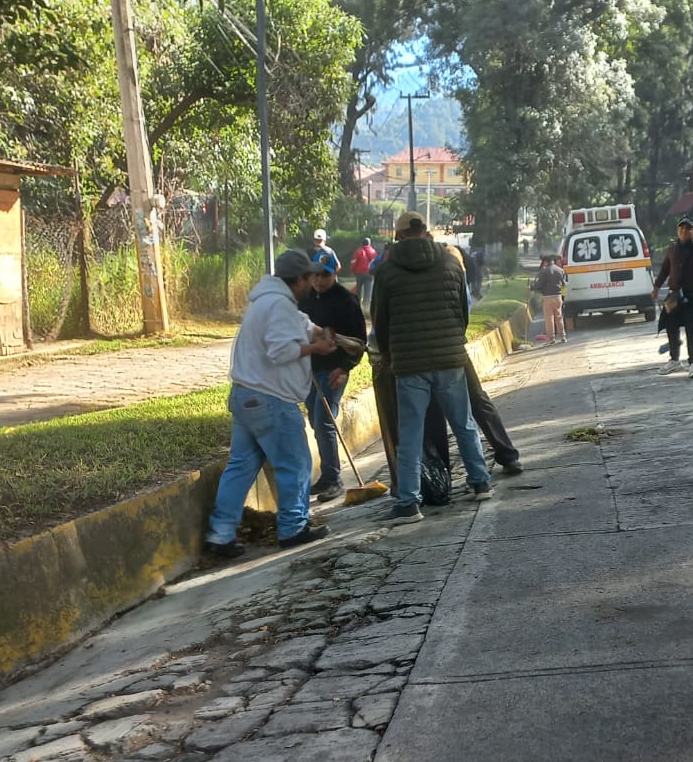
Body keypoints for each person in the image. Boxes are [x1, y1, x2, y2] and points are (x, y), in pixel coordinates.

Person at [204, 249, 338, 558]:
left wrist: (322, 333)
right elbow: (280, 351)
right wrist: (316, 348)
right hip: (271, 399)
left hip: (245, 395)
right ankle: (293, 528)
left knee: (240, 466)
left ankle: (220, 535)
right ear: (299, 279)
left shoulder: (267, 300)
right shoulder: (279, 304)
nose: (313, 281)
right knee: (296, 464)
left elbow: (300, 323)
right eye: (310, 277)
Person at [371, 215, 493, 526]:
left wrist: (388, 353)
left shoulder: (386, 271)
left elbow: (380, 319)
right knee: (463, 423)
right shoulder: (451, 264)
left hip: (409, 363)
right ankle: (480, 482)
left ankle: (409, 502)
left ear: (398, 235)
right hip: (449, 359)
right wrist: (453, 341)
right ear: (425, 232)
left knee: (411, 433)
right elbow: (462, 313)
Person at [299, 259, 367, 504]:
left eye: (324, 276)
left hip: (333, 371)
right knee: (315, 420)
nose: (318, 281)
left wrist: (345, 368)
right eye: (314, 275)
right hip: (309, 371)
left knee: (324, 420)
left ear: (335, 272)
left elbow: (360, 342)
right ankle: (328, 472)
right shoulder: (305, 298)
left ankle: (332, 478)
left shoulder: (346, 300)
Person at [653, 207, 693, 377]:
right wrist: (656, 287)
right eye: (681, 228)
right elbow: (665, 269)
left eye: (688, 228)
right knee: (670, 326)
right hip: (674, 296)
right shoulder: (673, 249)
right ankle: (674, 360)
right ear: (678, 231)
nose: (684, 231)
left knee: (691, 329)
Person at [532, 255, 567, 343]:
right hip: (558, 297)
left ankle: (551, 338)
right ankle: (563, 336)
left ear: (545, 262)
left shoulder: (544, 272)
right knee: (559, 317)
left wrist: (531, 287)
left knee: (549, 318)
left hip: (548, 297)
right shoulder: (560, 269)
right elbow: (564, 283)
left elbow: (539, 285)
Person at [350, 236, 378, 305]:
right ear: (370, 244)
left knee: (358, 290)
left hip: (359, 273)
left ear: (362, 243)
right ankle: (366, 306)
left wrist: (352, 270)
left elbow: (353, 262)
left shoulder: (358, 251)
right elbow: (377, 263)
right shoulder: (374, 252)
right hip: (369, 274)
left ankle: (357, 304)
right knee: (368, 291)